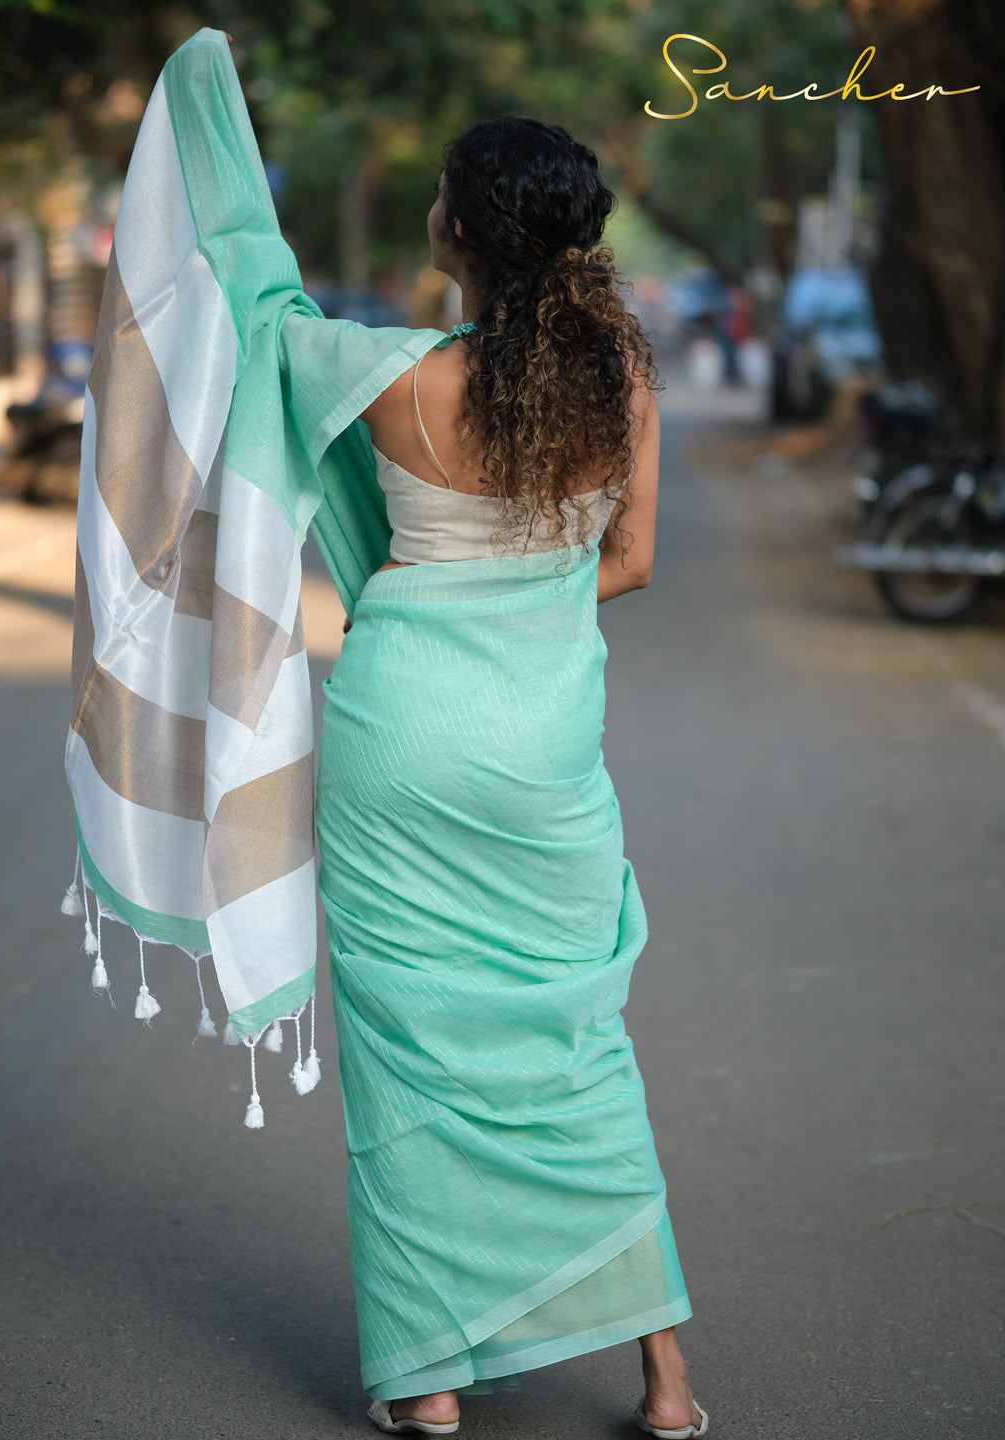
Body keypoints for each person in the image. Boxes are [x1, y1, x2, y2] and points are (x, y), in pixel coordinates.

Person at [314, 115, 707, 1437]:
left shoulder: (391, 380)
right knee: (576, 1049)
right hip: (538, 753)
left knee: (406, 1052)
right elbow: (636, 560)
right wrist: (532, 602)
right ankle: (666, 1387)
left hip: (396, 738)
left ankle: (429, 1388)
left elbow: (252, 339)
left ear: (462, 233)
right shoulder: (621, 384)